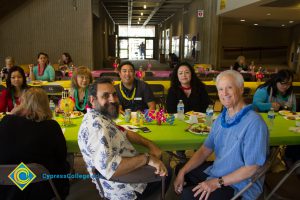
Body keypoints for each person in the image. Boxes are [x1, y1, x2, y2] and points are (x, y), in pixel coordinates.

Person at [174, 70, 269, 200]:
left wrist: (216, 183)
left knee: (187, 195)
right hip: (218, 171)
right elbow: (204, 150)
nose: (224, 93)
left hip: (239, 185)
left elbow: (251, 168)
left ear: (241, 89)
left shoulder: (254, 123)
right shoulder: (221, 118)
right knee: (181, 170)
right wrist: (182, 171)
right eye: (220, 89)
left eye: (229, 88)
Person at [78, 78, 169, 200]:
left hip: (125, 177)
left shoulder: (100, 116)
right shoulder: (97, 128)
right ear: (93, 100)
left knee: (160, 159)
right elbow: (111, 169)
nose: (113, 100)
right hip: (125, 189)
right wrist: (147, 159)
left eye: (114, 94)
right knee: (167, 169)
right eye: (105, 96)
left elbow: (124, 132)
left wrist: (149, 144)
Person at [0, 87, 70, 199]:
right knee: (65, 164)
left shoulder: (6, 121)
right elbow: (61, 156)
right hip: (42, 187)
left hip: (7, 187)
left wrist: (12, 114)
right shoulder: (51, 126)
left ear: (22, 103)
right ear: (45, 104)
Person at [253, 69, 299, 169]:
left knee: (296, 139)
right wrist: (269, 106)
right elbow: (255, 104)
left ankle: (290, 157)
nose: (286, 86)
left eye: (289, 84)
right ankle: (264, 163)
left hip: (286, 125)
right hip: (266, 124)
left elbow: (294, 111)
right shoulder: (265, 90)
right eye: (283, 84)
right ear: (276, 81)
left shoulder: (290, 93)